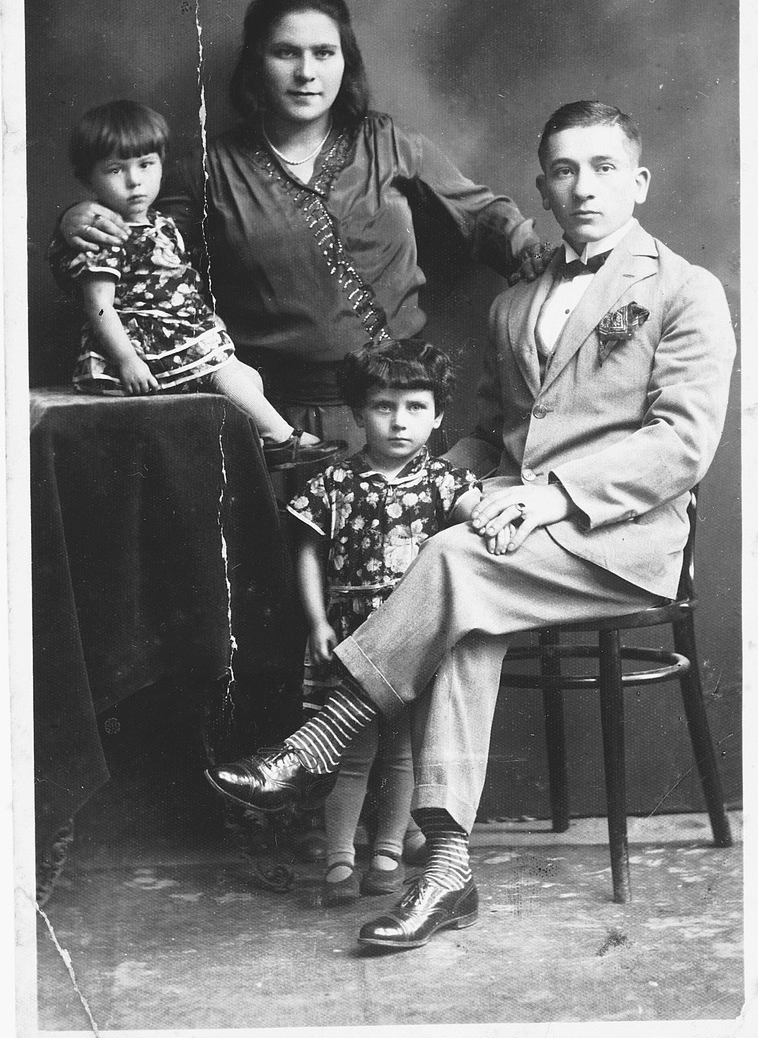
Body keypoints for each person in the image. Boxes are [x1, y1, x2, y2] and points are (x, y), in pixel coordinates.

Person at [205, 101, 736, 950]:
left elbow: (683, 443)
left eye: (604, 168)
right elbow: (488, 438)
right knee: (459, 607)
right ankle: (447, 873)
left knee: (453, 561)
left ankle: (322, 732)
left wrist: (550, 496)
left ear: (638, 182)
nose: (584, 187)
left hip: (624, 540)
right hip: (512, 544)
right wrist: (432, 486)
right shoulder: (514, 306)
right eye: (564, 170)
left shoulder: (685, 289)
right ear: (542, 189)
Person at [50, 0, 551, 453]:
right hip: (275, 417)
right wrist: (76, 219)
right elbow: (136, 247)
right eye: (286, 52)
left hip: (395, 412)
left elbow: (480, 213)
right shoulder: (211, 169)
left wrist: (528, 249)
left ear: (344, 62)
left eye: (324, 53)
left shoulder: (389, 143)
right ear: (255, 65)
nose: (306, 72)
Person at [288, 339, 480, 904]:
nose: (400, 422)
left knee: (402, 751)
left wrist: (497, 517)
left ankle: (389, 849)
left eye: (416, 408)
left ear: (439, 415)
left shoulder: (443, 482)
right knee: (350, 751)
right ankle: (339, 858)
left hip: (413, 637)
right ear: (357, 413)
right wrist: (317, 620)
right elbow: (307, 553)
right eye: (383, 407)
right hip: (351, 633)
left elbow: (473, 515)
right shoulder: (333, 482)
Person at [54, 98, 344, 468]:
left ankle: (255, 445)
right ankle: (281, 438)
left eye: (146, 165)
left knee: (247, 376)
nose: (134, 181)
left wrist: (207, 324)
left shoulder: (162, 224)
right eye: (115, 170)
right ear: (87, 179)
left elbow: (180, 286)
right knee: (221, 368)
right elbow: (99, 305)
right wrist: (127, 360)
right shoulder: (106, 233)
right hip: (136, 348)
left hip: (172, 334)